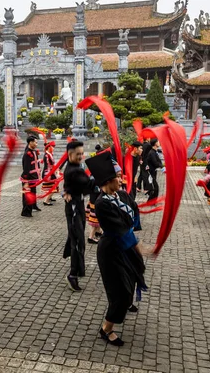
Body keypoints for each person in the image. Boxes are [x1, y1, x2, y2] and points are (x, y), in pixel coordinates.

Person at [87, 151, 148, 347]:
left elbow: (134, 210)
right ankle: (106, 329)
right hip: (112, 250)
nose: (122, 180)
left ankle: (125, 303)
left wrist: (134, 230)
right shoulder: (101, 204)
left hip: (126, 246)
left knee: (131, 279)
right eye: (118, 177)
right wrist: (140, 247)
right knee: (120, 293)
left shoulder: (121, 195)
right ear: (107, 180)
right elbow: (119, 229)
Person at [63, 141, 94, 291]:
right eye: (78, 154)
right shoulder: (73, 171)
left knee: (77, 238)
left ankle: (78, 268)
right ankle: (72, 274)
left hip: (78, 205)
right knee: (78, 241)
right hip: (74, 208)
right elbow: (89, 186)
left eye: (82, 153)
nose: (81, 156)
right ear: (70, 155)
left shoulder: (75, 167)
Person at [21, 136, 42, 217]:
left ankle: (33, 207)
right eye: (35, 142)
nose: (36, 144)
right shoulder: (27, 154)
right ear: (30, 142)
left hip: (33, 177)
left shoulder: (33, 152)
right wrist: (26, 181)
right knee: (27, 195)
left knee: (32, 193)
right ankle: (26, 212)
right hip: (28, 178)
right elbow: (26, 168)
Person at [41, 141, 59, 206]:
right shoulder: (47, 155)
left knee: (52, 186)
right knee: (53, 187)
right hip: (48, 173)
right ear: (48, 147)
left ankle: (49, 198)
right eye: (53, 146)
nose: (53, 148)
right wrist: (56, 171)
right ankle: (46, 201)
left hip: (50, 172)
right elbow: (51, 164)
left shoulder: (49, 154)